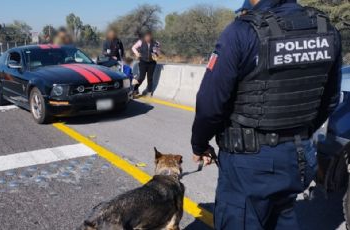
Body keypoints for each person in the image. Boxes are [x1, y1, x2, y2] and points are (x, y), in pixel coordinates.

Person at [191, 0, 342, 229]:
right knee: (284, 216)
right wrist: (297, 132)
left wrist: (199, 143)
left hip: (249, 164)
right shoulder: (326, 29)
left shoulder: (242, 31)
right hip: (298, 157)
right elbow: (330, 99)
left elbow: (210, 103)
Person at [132, 31, 160, 96]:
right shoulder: (140, 42)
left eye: (149, 37)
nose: (148, 38)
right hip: (143, 62)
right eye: (146, 37)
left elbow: (158, 52)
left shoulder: (156, 43)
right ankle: (135, 89)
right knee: (141, 77)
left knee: (150, 78)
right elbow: (133, 48)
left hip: (152, 63)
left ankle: (149, 91)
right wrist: (136, 53)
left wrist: (157, 54)